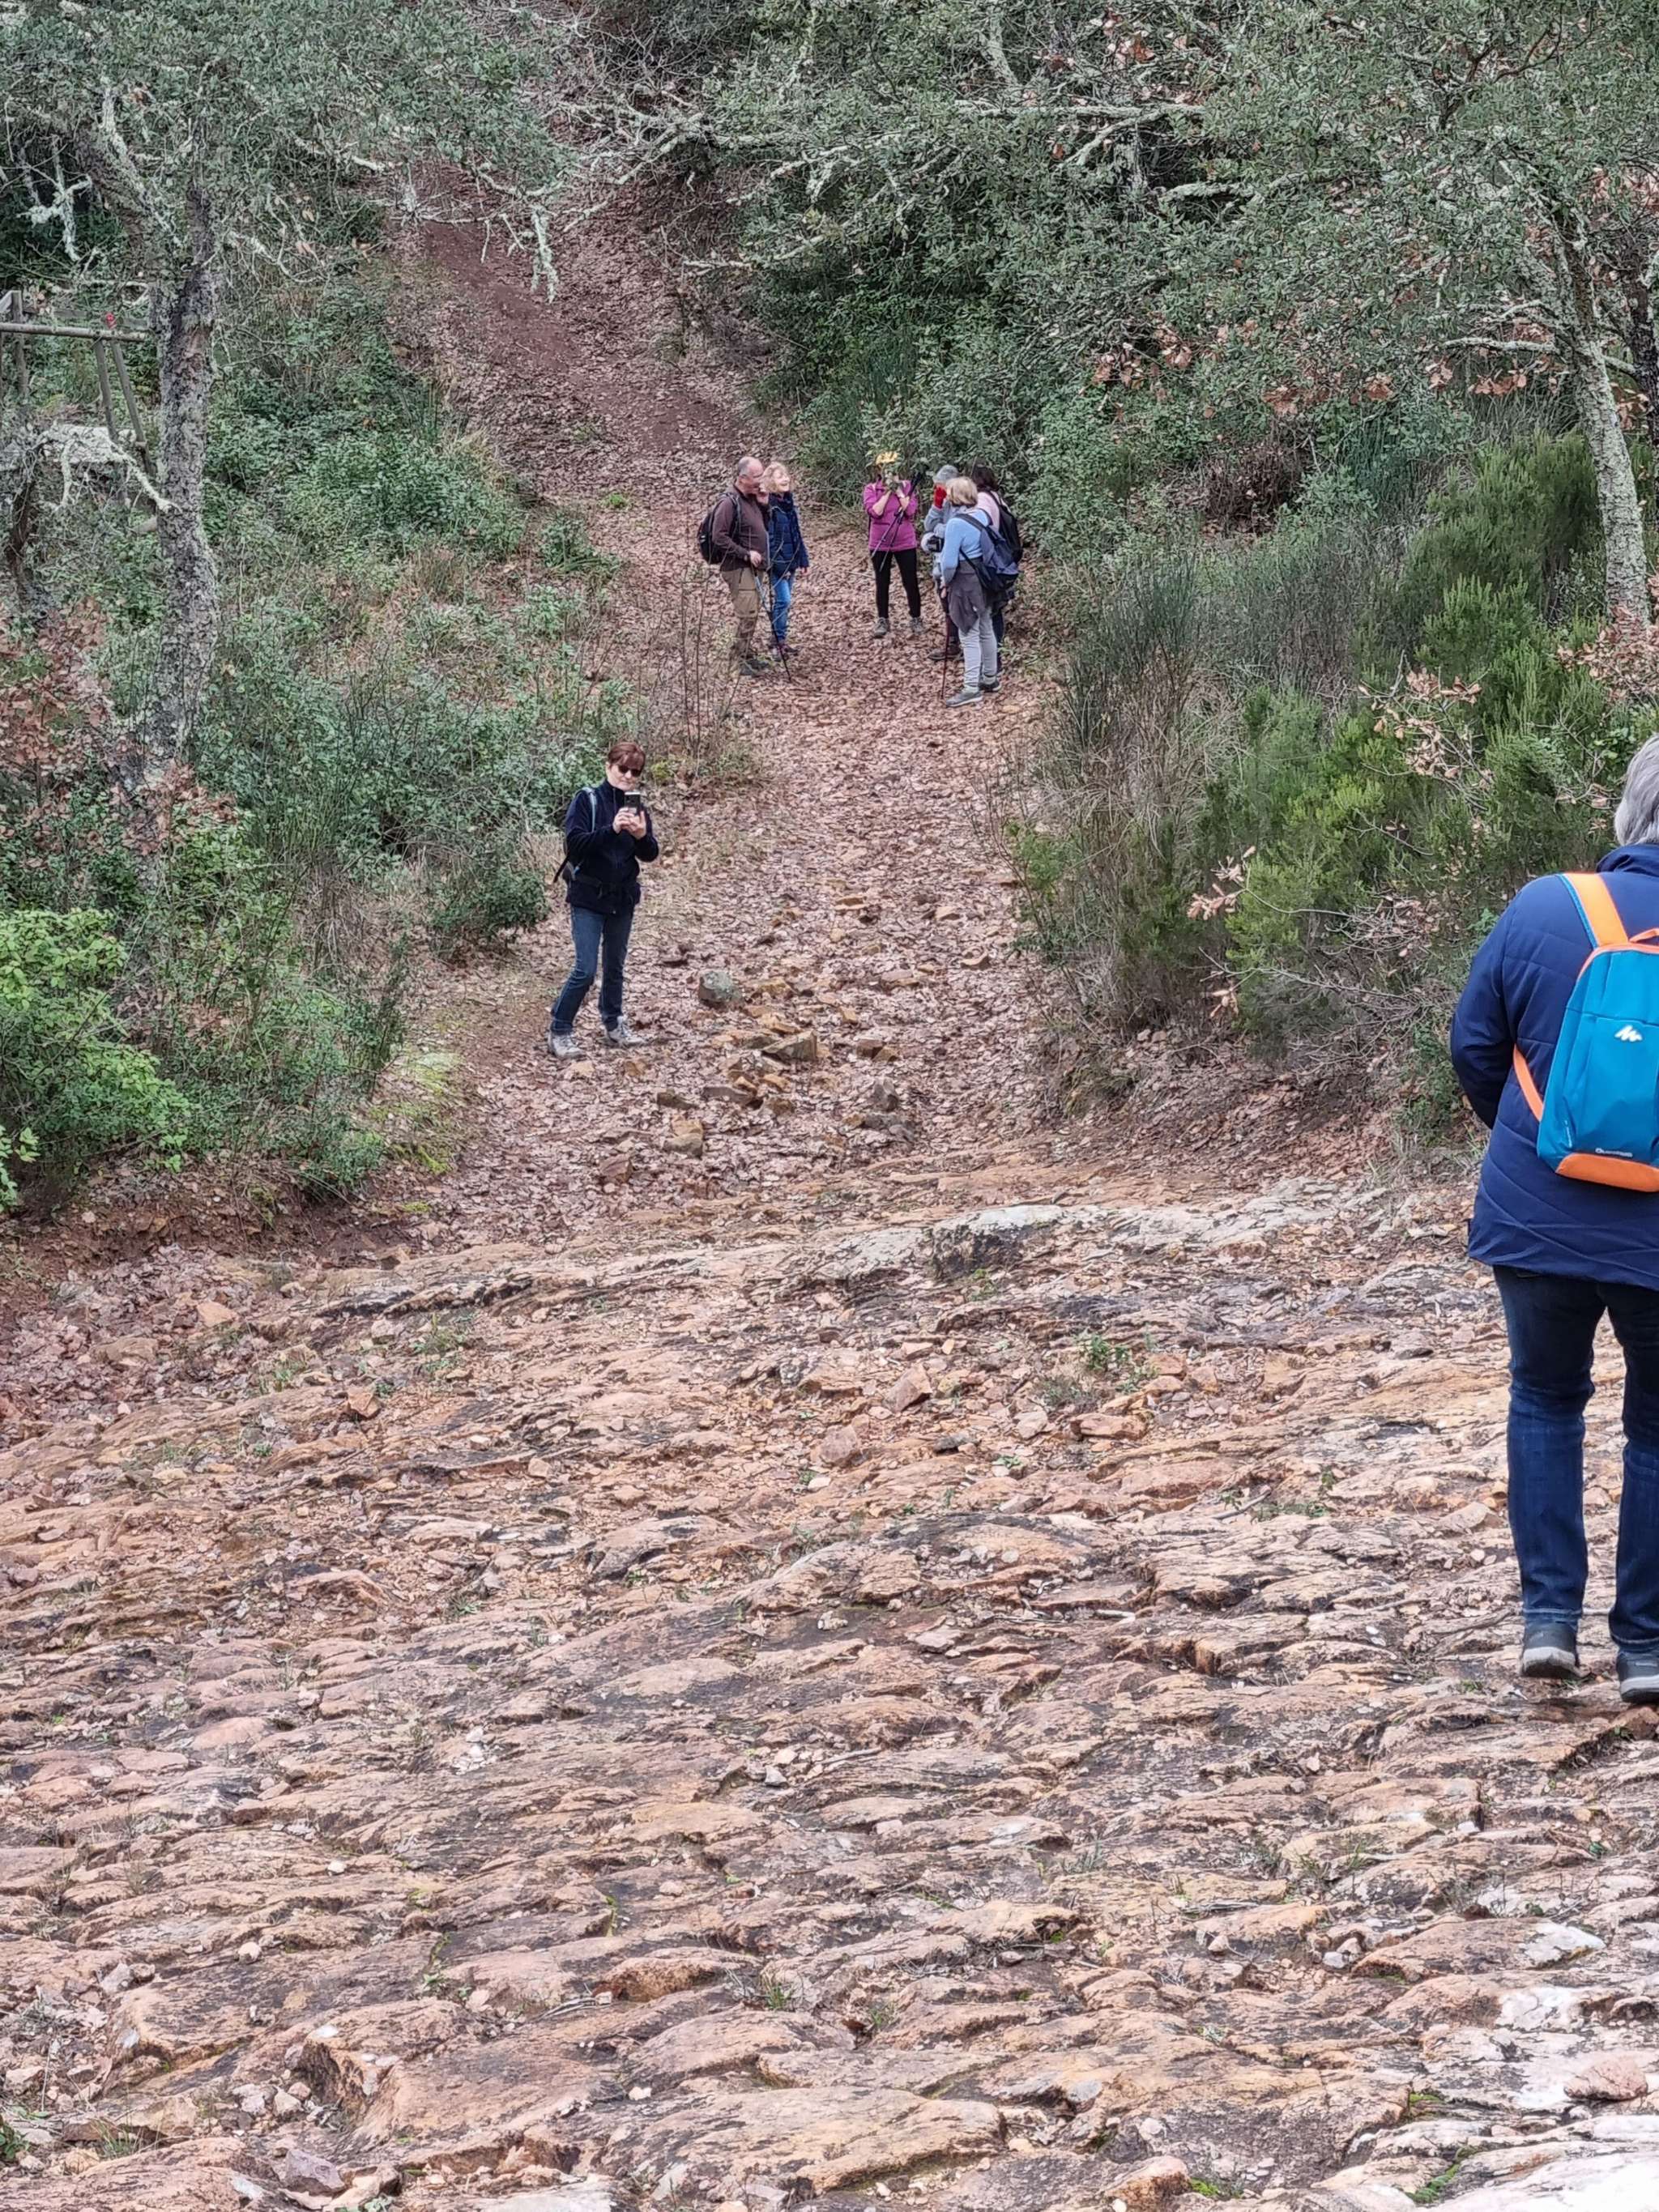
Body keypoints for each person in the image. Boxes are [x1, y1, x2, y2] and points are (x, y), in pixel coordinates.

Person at [1451, 733, 1659, 1703]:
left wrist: (1534, 1140)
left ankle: (1547, 1624)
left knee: (1543, 1398)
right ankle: (1646, 1647)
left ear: (1629, 809)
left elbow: (1471, 1047)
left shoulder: (1542, 906)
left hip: (1534, 1217)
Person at [548, 740, 659, 1059]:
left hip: (622, 898)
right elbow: (576, 843)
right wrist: (612, 829)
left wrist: (640, 835)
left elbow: (650, 854)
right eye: (622, 768)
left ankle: (614, 1024)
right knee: (585, 969)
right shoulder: (588, 800)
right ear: (608, 766)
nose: (628, 776)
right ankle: (559, 1029)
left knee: (615, 967)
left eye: (635, 772)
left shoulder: (638, 808)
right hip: (588, 896)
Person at [936, 476, 1000, 709]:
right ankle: (990, 677)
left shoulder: (956, 524)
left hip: (965, 583)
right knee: (986, 627)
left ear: (955, 496)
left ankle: (971, 688)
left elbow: (949, 563)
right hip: (984, 580)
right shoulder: (982, 515)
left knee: (968, 633)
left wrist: (945, 582)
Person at [709, 457, 770, 675]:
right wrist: (746, 554)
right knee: (748, 613)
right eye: (756, 477)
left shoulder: (752, 499)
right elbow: (719, 537)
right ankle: (738, 661)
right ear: (742, 478)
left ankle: (746, 654)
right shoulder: (728, 503)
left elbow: (763, 526)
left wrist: (764, 506)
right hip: (738, 567)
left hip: (755, 567)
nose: (761, 481)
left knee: (752, 612)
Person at [862, 453, 922, 641]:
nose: (890, 471)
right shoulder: (871, 489)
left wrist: (899, 491)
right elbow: (875, 512)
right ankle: (883, 619)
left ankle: (916, 617)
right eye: (886, 467)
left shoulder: (907, 486)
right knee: (882, 581)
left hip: (905, 542)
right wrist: (888, 492)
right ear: (879, 470)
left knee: (910, 581)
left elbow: (910, 510)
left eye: (893, 467)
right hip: (880, 544)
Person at [761, 462, 808, 657]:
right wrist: (781, 567)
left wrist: (803, 560)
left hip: (792, 560)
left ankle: (780, 640)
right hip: (779, 564)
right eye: (780, 476)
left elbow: (796, 534)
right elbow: (770, 540)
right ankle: (776, 642)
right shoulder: (769, 507)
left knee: (784, 603)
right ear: (771, 481)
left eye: (786, 475)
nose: (785, 479)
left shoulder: (789, 503)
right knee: (783, 600)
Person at [921, 464, 960, 666]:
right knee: (946, 606)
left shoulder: (962, 503)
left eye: (941, 486)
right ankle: (951, 643)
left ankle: (959, 644)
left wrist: (939, 530)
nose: (938, 489)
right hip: (939, 562)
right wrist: (936, 506)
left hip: (956, 564)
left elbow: (955, 529)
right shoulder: (942, 502)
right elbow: (928, 525)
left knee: (957, 606)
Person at [970, 464, 1011, 651]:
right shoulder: (997, 498)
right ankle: (997, 651)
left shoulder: (981, 500)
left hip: (990, 559)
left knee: (990, 610)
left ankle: (992, 656)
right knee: (996, 608)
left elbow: (983, 529)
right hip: (1002, 556)